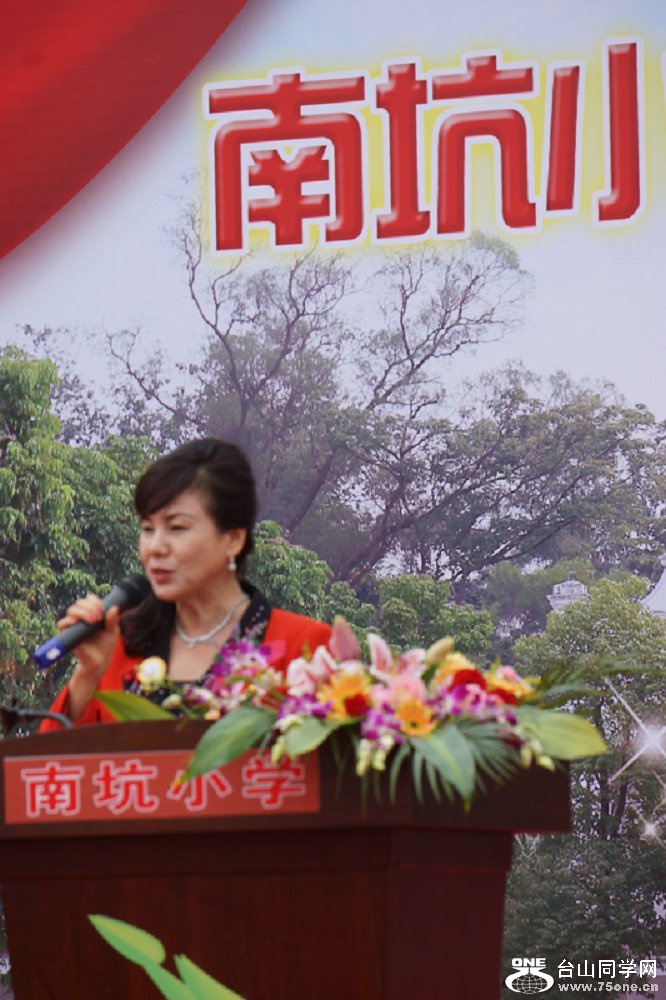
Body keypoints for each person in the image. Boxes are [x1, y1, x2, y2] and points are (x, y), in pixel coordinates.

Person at [40, 438, 331, 731]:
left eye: (177, 527)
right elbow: (51, 756)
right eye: (147, 529)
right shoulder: (119, 646)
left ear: (233, 539)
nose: (155, 547)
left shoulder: (306, 648)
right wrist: (89, 673)